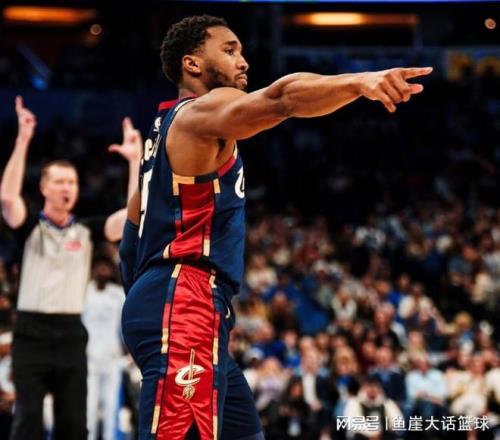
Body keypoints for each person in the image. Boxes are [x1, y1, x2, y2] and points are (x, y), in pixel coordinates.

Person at [119, 14, 432, 440]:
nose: (243, 61)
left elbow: (131, 235)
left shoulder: (162, 131)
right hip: (185, 299)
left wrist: (144, 302)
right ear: (192, 64)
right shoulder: (201, 112)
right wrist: (359, 82)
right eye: (229, 50)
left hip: (173, 303)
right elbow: (283, 98)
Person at [0, 96, 141, 440]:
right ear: (43, 187)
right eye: (60, 181)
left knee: (74, 426)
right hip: (30, 333)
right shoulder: (30, 228)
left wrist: (135, 161)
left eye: (72, 182)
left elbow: (133, 218)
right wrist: (23, 139)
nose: (67, 188)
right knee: (28, 423)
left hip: (72, 334)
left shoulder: (87, 231)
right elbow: (7, 199)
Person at [82, 257, 126, 440]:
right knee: (89, 405)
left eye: (105, 267)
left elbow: (125, 323)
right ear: (93, 269)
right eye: (99, 267)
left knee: (111, 404)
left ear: (111, 270)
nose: (102, 270)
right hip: (89, 356)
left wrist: (125, 346)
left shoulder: (118, 294)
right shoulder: (84, 292)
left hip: (112, 355)